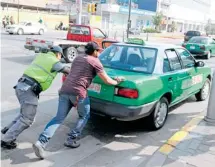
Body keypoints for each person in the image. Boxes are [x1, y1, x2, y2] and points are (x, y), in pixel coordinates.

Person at [33, 42, 124, 159]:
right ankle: (71, 139)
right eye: (98, 51)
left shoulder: (78, 58)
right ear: (95, 51)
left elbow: (75, 72)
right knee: (84, 116)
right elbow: (107, 80)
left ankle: (41, 142)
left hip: (64, 90)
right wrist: (117, 81)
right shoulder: (96, 62)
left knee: (58, 118)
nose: (99, 53)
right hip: (78, 93)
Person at [1, 46, 70, 150]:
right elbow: (67, 70)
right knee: (27, 119)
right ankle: (7, 140)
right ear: (58, 54)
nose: (60, 58)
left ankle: (7, 130)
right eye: (60, 56)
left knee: (23, 114)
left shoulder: (42, 56)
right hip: (29, 90)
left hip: (21, 86)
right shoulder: (54, 61)